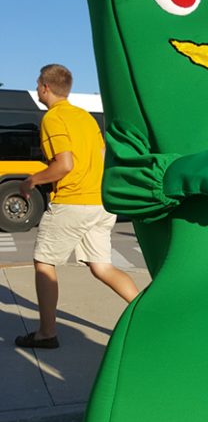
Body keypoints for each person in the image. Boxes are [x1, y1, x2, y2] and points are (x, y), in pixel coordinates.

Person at [14, 64, 139, 349]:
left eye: (37, 84)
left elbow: (64, 164)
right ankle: (149, 312)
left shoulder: (54, 118)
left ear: (45, 87)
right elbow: (103, 155)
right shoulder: (85, 118)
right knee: (102, 267)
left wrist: (32, 181)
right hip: (100, 203)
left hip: (73, 201)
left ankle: (46, 333)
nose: (37, 89)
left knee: (44, 262)